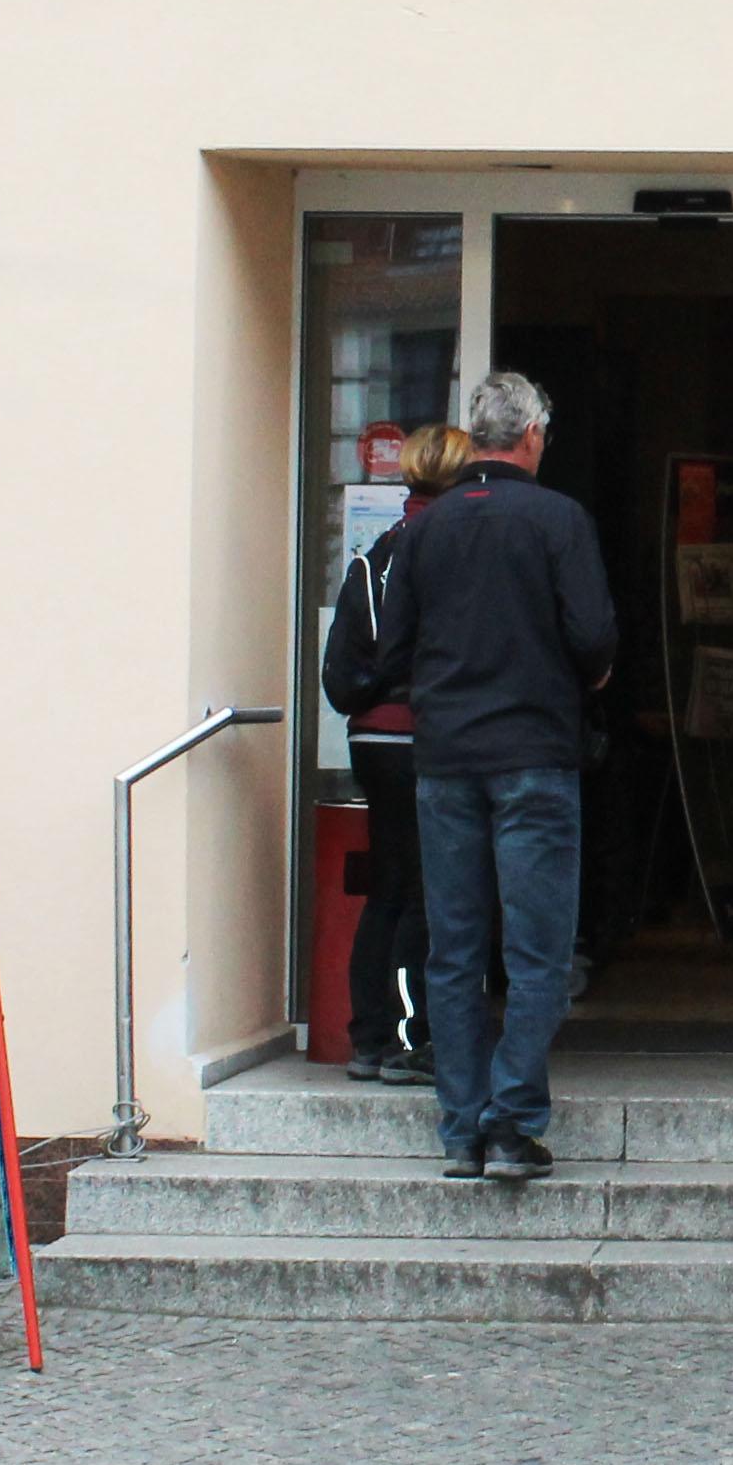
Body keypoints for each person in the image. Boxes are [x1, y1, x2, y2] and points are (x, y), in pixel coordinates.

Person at [372, 373, 615, 1184]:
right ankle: (511, 1122)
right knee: (538, 952)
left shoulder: (424, 531)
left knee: (455, 951)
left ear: (474, 438)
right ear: (534, 435)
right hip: (535, 760)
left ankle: (460, 1129)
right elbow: (594, 636)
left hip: (444, 763)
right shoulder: (557, 519)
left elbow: (391, 652)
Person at [318, 423, 472, 1086]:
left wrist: (376, 687)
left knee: (386, 887)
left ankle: (368, 1036)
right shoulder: (455, 549)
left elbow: (341, 674)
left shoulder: (373, 554)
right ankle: (411, 1039)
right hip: (426, 735)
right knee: (422, 891)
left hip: (372, 739)